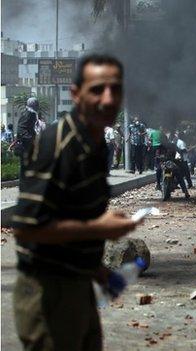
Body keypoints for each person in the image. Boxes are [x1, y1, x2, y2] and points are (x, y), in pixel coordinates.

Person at [10, 54, 139, 351]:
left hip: (79, 286)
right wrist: (98, 228)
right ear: (75, 93)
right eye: (97, 89)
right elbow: (28, 228)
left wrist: (97, 270)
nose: (107, 99)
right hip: (49, 293)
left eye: (115, 90)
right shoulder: (55, 145)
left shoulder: (93, 145)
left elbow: (68, 213)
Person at [16, 97, 39, 181]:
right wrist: (32, 139)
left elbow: (29, 129)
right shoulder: (28, 114)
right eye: (36, 104)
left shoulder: (31, 113)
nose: (37, 106)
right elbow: (21, 130)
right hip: (25, 145)